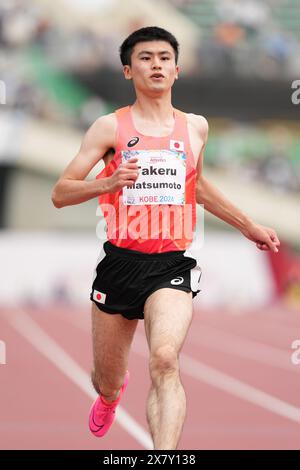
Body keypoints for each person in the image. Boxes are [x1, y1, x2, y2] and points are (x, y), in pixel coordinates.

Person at [51, 26, 280, 450]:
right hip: (120, 261)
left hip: (172, 264)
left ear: (176, 69)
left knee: (165, 359)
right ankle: (110, 395)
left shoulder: (195, 128)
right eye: (145, 57)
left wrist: (248, 224)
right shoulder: (108, 128)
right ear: (127, 70)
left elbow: (199, 186)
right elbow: (60, 193)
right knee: (106, 378)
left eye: (163, 57)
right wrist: (107, 183)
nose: (156, 64)